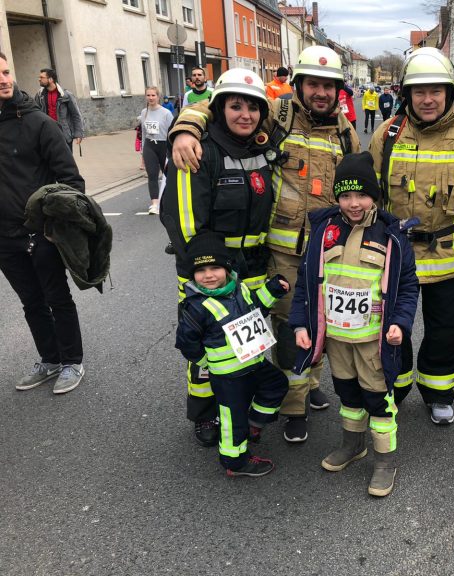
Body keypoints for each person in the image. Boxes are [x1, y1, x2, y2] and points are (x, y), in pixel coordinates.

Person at [169, 46, 361, 443]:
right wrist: (185, 126)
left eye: (328, 85)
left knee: (309, 326)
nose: (321, 92)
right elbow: (224, 104)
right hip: (275, 252)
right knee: (263, 331)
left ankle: (301, 388)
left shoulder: (346, 133)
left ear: (338, 90)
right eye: (313, 84)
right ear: (299, 85)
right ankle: (254, 410)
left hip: (317, 254)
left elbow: (356, 188)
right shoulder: (278, 115)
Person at [369, 47, 454, 425]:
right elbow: (371, 197)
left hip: (451, 257)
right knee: (392, 329)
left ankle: (438, 392)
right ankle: (393, 390)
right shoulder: (388, 134)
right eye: (419, 91)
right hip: (396, 258)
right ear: (406, 94)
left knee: (445, 330)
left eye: (436, 90)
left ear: (450, 92)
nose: (428, 99)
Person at [161, 68, 278, 447]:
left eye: (252, 107)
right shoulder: (198, 151)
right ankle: (205, 415)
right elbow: (185, 224)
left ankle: (237, 409)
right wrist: (212, 274)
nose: (245, 114)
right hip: (209, 274)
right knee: (206, 355)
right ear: (219, 109)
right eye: (235, 106)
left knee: (246, 349)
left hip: (254, 269)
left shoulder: (262, 146)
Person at [290, 152, 419, 496]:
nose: (353, 203)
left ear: (373, 196)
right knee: (347, 395)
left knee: (377, 399)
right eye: (345, 195)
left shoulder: (392, 237)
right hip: (336, 340)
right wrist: (301, 325)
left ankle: (384, 460)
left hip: (373, 342)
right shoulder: (323, 232)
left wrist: (401, 324)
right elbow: (307, 284)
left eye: (361, 195)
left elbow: (407, 287)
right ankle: (353, 444)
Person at [0, 52, 87, 395]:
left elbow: (71, 181)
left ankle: (72, 361)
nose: (4, 78)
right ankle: (50, 359)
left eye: (6, 71)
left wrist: (55, 225)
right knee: (31, 302)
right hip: (4, 238)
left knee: (57, 298)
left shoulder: (38, 123)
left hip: (40, 233)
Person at [176, 232, 290, 477]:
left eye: (215, 267)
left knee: (277, 384)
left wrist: (273, 289)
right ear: (192, 275)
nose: (208, 275)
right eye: (200, 270)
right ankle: (235, 462)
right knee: (231, 420)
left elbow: (257, 308)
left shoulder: (240, 289)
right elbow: (186, 342)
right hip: (228, 376)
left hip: (254, 363)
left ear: (227, 268)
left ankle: (254, 424)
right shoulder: (196, 306)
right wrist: (207, 363)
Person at [138, 86, 174, 215]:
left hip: (164, 145)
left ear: (158, 97)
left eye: (153, 95)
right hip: (149, 145)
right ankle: (154, 203)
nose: (151, 98)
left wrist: (173, 150)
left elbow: (172, 132)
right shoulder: (144, 112)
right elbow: (143, 132)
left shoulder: (166, 113)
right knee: (152, 175)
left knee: (167, 175)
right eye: (148, 95)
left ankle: (168, 201)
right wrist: (142, 152)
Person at [35, 68, 85, 151]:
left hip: (64, 135)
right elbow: (36, 115)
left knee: (66, 162)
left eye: (42, 77)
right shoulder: (40, 96)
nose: (39, 79)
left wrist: (79, 134)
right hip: (47, 135)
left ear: (50, 79)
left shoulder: (66, 95)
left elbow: (76, 115)